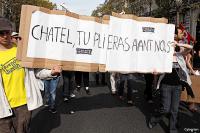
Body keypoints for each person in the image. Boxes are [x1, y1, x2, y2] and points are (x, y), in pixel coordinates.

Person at [0, 17, 62, 133]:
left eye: (7, 32)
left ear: (10, 32)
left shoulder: (22, 51)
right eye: (1, 33)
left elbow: (37, 72)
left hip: (23, 104)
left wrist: (51, 72)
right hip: (2, 107)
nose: (4, 36)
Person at [148, 27, 193, 133]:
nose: (172, 46)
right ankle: (154, 120)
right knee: (165, 109)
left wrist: (179, 44)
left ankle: (172, 129)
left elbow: (190, 47)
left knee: (174, 110)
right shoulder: (163, 57)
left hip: (177, 87)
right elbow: (158, 70)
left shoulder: (179, 55)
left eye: (173, 44)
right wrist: (155, 72)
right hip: (166, 86)